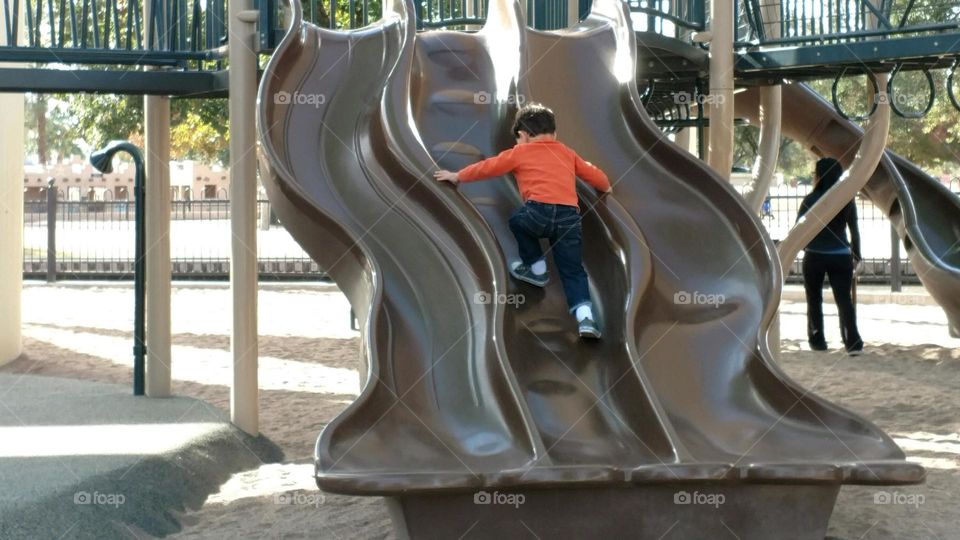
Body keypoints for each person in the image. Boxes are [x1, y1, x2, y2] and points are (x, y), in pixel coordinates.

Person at [433, 103, 612, 339]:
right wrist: (606, 187)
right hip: (570, 217)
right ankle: (585, 318)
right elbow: (593, 173)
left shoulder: (521, 152)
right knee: (573, 270)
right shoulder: (567, 153)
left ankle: (536, 269)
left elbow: (489, 167)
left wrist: (458, 175)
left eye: (518, 139)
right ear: (554, 134)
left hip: (537, 212)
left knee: (518, 222)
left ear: (524, 135)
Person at [797, 157, 864, 355]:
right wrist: (857, 255)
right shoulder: (845, 198)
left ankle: (818, 341)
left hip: (814, 256)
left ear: (819, 176)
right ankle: (853, 343)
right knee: (844, 299)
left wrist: (803, 247)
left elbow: (798, 228)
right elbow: (854, 230)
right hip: (841, 255)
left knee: (814, 298)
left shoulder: (809, 200)